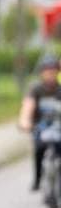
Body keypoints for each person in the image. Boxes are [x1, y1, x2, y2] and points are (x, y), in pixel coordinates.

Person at [18, 53, 61, 191]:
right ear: (42, 73)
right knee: (38, 150)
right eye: (47, 71)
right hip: (41, 127)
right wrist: (25, 121)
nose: (50, 74)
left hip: (59, 128)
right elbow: (28, 106)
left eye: (53, 71)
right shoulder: (36, 89)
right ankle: (37, 178)